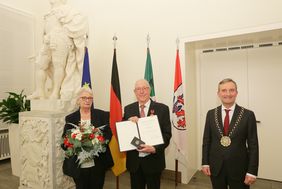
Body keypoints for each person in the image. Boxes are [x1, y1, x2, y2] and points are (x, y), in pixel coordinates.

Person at [202, 78, 259, 189]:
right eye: (224, 90)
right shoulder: (211, 114)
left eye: (231, 90)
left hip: (239, 168)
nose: (228, 94)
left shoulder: (248, 115)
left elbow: (253, 146)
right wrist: (205, 162)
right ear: (218, 94)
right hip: (216, 167)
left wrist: (252, 171)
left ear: (236, 93)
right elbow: (206, 140)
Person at [28, 0, 88, 100]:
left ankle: (56, 92)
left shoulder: (68, 10)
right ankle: (40, 92)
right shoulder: (48, 13)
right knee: (40, 65)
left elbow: (78, 25)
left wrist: (61, 33)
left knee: (58, 65)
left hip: (60, 39)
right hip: (48, 40)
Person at [61, 86, 113, 189]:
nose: (87, 100)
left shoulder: (102, 115)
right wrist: (76, 145)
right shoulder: (71, 118)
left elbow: (108, 134)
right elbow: (64, 140)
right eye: (84, 98)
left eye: (90, 98)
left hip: (98, 163)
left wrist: (97, 143)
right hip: (78, 165)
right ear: (78, 100)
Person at [123, 79, 172, 189]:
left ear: (149, 90)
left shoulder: (162, 109)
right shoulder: (128, 109)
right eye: (138, 89)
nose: (141, 92)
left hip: (153, 161)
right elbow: (125, 134)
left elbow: (167, 134)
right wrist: (128, 123)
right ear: (134, 92)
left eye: (144, 88)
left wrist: (154, 148)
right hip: (134, 162)